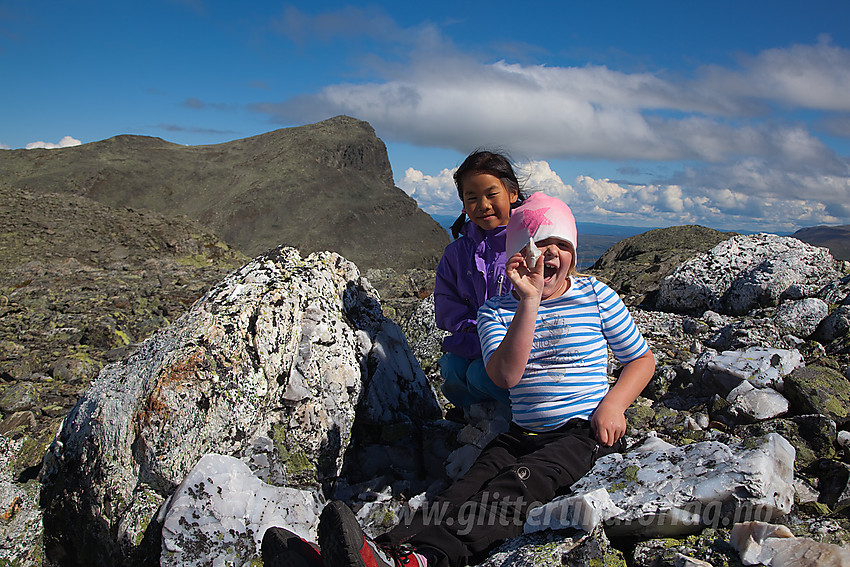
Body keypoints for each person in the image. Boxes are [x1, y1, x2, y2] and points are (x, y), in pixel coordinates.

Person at [313, 192, 656, 567]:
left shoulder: (596, 296)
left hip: (579, 433)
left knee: (510, 491)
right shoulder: (495, 311)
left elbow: (640, 359)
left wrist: (613, 405)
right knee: (456, 493)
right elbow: (506, 375)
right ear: (519, 253)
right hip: (520, 433)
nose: (553, 254)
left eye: (563, 244)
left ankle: (423, 560)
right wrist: (529, 302)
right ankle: (380, 549)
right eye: (541, 243)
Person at [434, 150, 526, 410]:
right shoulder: (456, 254)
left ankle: (517, 417)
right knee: (453, 369)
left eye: (491, 194)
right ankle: (473, 415)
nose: (482, 205)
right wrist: (477, 331)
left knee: (478, 374)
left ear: (512, 193)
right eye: (471, 197)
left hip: (516, 347)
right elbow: (446, 303)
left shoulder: (529, 247)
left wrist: (496, 335)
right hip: (472, 341)